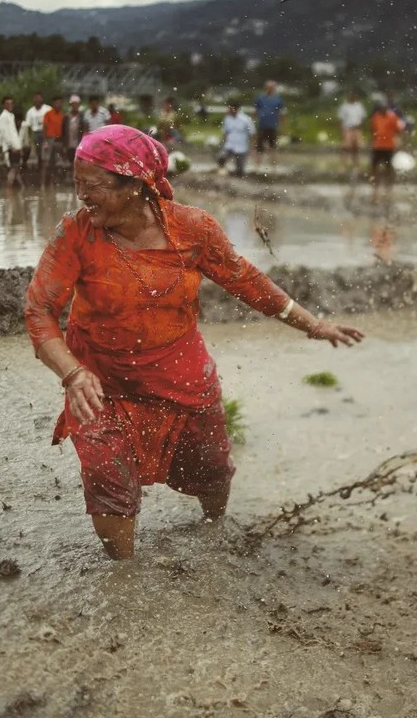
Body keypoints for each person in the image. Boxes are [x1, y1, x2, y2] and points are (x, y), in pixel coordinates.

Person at [25, 125, 365, 559]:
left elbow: (247, 282)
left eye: (93, 187)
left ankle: (215, 535)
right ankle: (125, 579)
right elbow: (39, 312)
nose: (83, 198)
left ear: (136, 185)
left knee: (211, 469)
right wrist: (73, 373)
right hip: (99, 381)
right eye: (77, 186)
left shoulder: (192, 229)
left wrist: (313, 325)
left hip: (180, 375)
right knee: (107, 478)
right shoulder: (76, 234)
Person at [369, 101, 405, 215]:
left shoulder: (393, 117)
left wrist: (400, 142)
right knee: (374, 168)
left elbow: (399, 131)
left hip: (388, 146)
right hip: (378, 146)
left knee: (388, 168)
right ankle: (375, 191)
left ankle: (389, 189)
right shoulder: (375, 117)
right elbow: (373, 131)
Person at [253, 80, 285, 171]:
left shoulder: (278, 100)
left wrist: (282, 126)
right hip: (262, 125)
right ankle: (257, 167)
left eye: (271, 87)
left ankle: (273, 168)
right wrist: (252, 124)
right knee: (259, 147)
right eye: (268, 87)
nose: (270, 89)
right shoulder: (260, 98)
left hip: (272, 126)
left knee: (273, 147)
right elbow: (255, 112)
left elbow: (281, 114)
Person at [217, 101, 254, 177]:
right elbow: (225, 132)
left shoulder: (246, 119)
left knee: (240, 168)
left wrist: (252, 146)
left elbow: (251, 133)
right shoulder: (227, 119)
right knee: (221, 157)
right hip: (230, 144)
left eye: (231, 109)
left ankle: (239, 178)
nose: (229, 111)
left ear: (236, 109)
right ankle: (223, 170)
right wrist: (221, 143)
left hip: (241, 145)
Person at [0, 96, 23, 191]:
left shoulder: (11, 116)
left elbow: (13, 133)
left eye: (11, 103)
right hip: (11, 147)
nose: (10, 105)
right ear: (3, 105)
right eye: (7, 103)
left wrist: (18, 146)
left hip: (16, 145)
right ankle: (9, 189)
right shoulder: (3, 117)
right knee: (13, 168)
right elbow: (4, 133)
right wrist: (11, 146)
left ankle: (20, 188)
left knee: (16, 168)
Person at [337, 90, 366, 174]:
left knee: (356, 148)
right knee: (345, 148)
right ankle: (343, 166)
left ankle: (356, 166)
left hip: (357, 129)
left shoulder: (359, 106)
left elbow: (362, 118)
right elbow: (341, 119)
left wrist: (361, 129)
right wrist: (341, 131)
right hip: (347, 129)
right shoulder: (344, 106)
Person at [41, 96, 66, 190]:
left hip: (58, 141)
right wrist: (45, 142)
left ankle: (51, 183)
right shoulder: (48, 114)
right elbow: (44, 128)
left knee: (54, 163)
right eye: (57, 103)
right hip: (48, 139)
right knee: (45, 163)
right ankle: (43, 184)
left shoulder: (62, 115)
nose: (59, 105)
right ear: (53, 104)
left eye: (60, 103)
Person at [24, 92, 51, 170]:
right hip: (36, 133)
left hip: (46, 132)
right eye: (35, 98)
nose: (37, 100)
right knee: (39, 151)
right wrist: (29, 138)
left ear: (42, 99)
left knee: (46, 151)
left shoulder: (48, 109)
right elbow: (28, 126)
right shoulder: (30, 112)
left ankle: (47, 168)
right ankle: (39, 166)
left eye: (39, 98)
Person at [63, 95, 85, 167]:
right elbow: (63, 130)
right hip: (69, 143)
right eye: (73, 104)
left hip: (78, 143)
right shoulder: (66, 116)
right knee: (69, 161)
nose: (75, 106)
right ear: (71, 105)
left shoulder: (82, 117)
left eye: (77, 104)